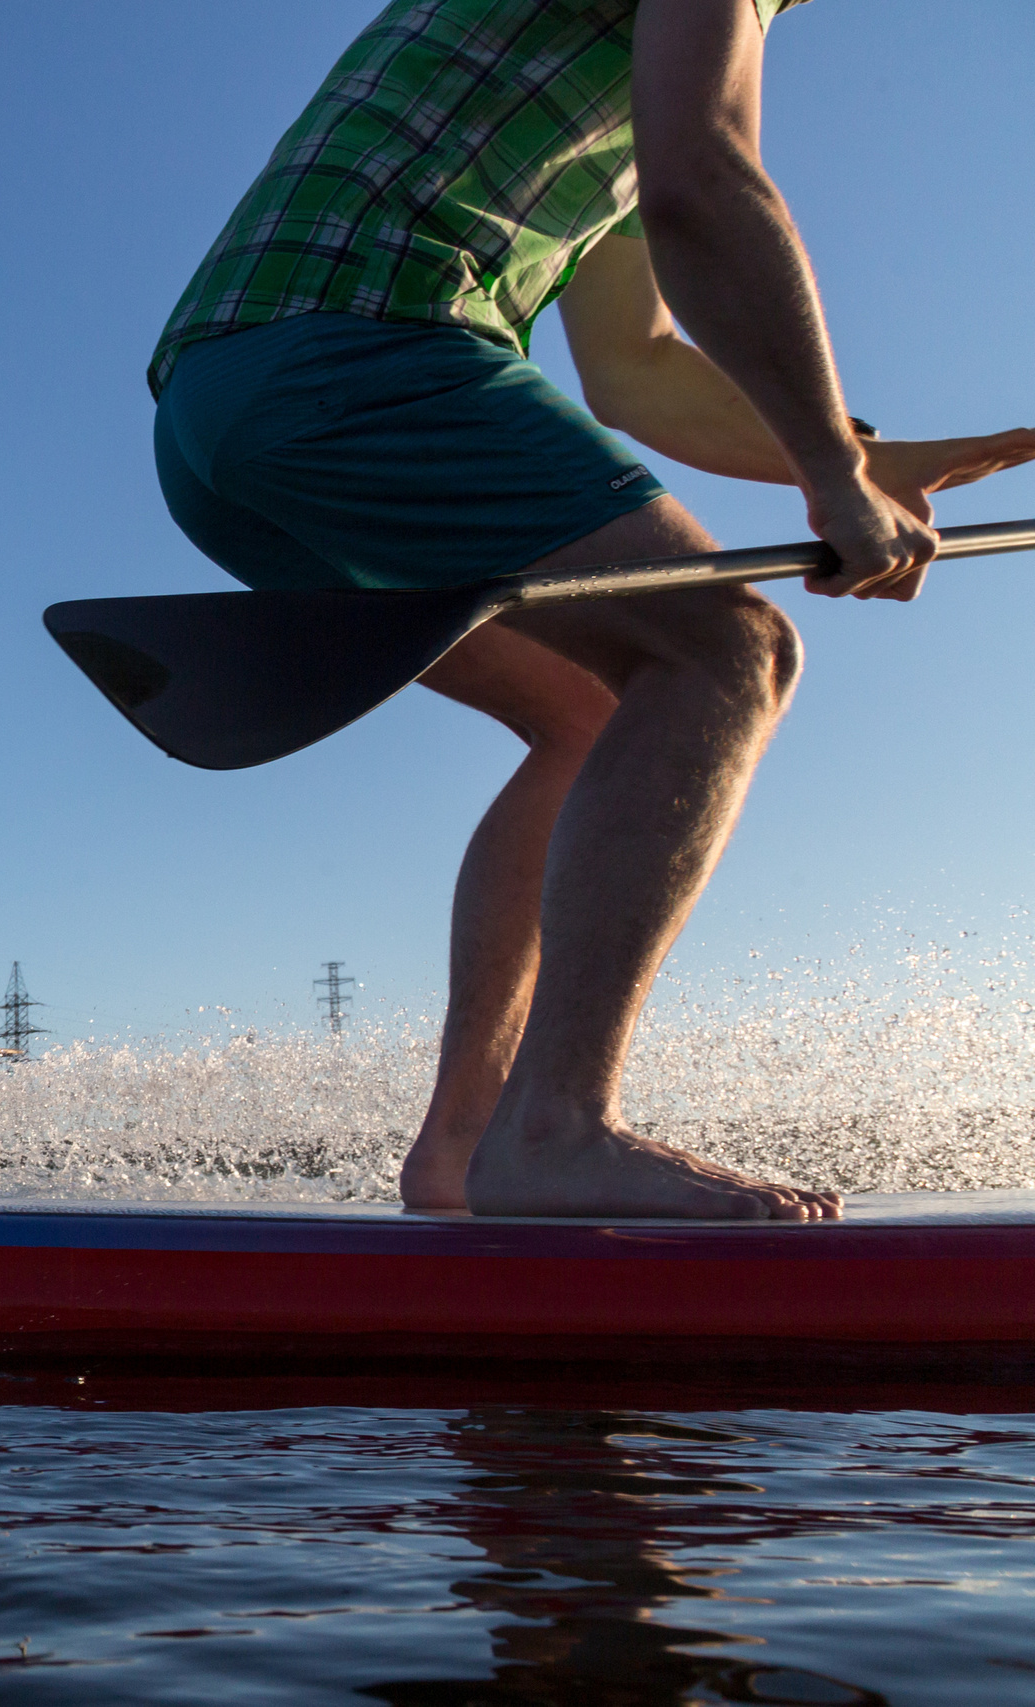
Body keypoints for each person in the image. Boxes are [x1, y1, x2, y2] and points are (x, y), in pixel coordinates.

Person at [148, 0, 1035, 1219]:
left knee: (590, 714)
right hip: (353, 352)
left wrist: (862, 461)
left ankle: (463, 1151)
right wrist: (831, 473)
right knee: (732, 650)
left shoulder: (604, 73)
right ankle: (558, 1127)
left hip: (221, 413)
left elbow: (637, 370)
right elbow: (704, 183)